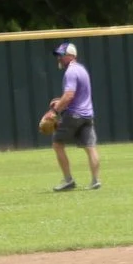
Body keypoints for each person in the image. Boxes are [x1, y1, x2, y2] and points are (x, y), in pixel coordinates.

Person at [44, 42, 100, 192]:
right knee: (90, 147)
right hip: (87, 114)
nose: (59, 59)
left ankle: (68, 180)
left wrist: (55, 111)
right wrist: (60, 102)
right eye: (58, 56)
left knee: (57, 143)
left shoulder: (70, 72)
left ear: (71, 56)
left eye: (61, 56)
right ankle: (95, 180)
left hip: (74, 115)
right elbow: (75, 95)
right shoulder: (82, 70)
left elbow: (69, 95)